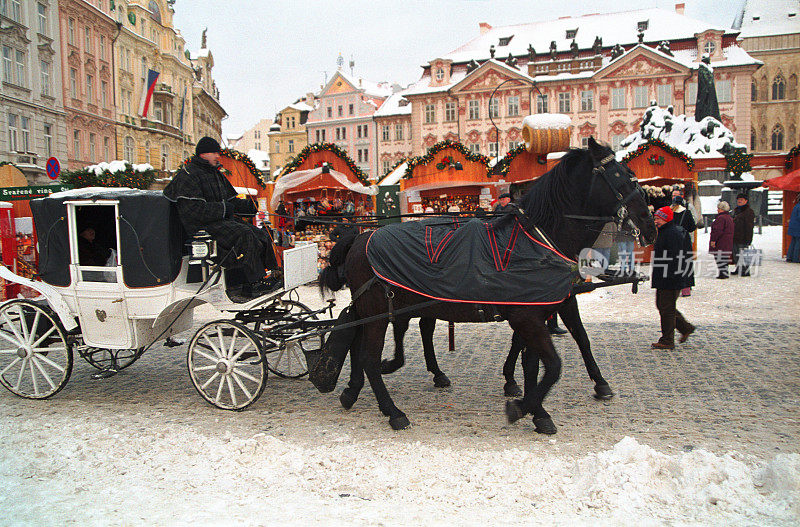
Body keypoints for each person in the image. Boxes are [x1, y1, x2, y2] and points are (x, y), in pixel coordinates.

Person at [163, 136, 281, 298]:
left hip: (220, 221)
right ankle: (253, 283)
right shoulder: (188, 175)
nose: (218, 156)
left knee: (259, 233)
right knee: (244, 235)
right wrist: (224, 209)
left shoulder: (214, 173)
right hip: (202, 227)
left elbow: (231, 201)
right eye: (214, 153)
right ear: (203, 154)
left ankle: (272, 273)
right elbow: (194, 210)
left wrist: (248, 207)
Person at [650, 206, 695, 350]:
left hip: (670, 277)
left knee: (667, 309)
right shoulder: (665, 231)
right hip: (664, 276)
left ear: (666, 219)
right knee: (663, 306)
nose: (656, 221)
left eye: (658, 218)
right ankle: (685, 327)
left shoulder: (672, 233)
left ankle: (667, 340)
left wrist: (671, 276)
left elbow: (675, 258)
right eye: (655, 218)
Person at [671, 192, 696, 295]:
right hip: (684, 241)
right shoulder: (687, 213)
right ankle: (686, 289)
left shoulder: (670, 213)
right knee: (686, 264)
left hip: (672, 241)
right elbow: (692, 227)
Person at [732, 193, 755, 276]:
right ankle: (738, 268)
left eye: (741, 199)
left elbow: (749, 227)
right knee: (736, 254)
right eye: (738, 199)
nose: (739, 201)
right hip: (735, 236)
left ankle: (745, 270)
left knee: (743, 254)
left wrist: (749, 239)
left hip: (743, 237)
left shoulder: (749, 212)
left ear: (746, 201)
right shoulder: (736, 210)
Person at [709, 201, 734, 279]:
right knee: (725, 257)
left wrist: (713, 240)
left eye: (719, 208)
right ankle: (724, 272)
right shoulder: (729, 218)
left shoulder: (720, 218)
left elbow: (717, 230)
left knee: (720, 257)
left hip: (720, 241)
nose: (717, 210)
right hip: (728, 241)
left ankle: (722, 273)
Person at [788, 196, 800, 263]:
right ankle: (795, 258)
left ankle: (789, 257)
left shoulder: (796, 206)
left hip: (793, 227)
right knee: (798, 243)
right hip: (798, 228)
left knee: (793, 242)